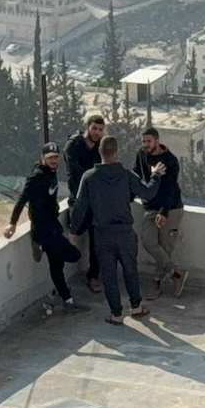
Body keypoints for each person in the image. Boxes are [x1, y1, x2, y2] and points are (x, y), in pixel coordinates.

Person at [66, 135, 147, 323]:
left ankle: (116, 314)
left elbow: (80, 207)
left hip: (102, 234)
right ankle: (136, 307)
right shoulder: (126, 175)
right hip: (125, 232)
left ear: (99, 152)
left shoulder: (89, 177)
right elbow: (147, 192)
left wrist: (73, 230)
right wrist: (157, 175)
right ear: (117, 152)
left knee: (109, 275)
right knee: (130, 270)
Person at [7, 144, 80, 305]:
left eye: (56, 157)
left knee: (57, 264)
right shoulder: (36, 176)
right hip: (43, 229)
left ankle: (66, 297)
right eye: (50, 158)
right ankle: (37, 242)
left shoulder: (51, 172)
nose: (54, 161)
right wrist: (13, 223)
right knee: (73, 255)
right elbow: (22, 199)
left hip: (53, 225)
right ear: (43, 158)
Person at [135, 126, 187, 300]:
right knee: (148, 241)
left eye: (149, 141)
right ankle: (176, 273)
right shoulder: (141, 155)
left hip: (170, 208)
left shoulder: (170, 160)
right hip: (151, 207)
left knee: (165, 245)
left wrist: (164, 212)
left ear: (157, 141)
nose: (145, 145)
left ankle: (156, 282)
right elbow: (136, 176)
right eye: (143, 141)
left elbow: (170, 188)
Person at [63, 114, 107, 293]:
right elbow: (76, 173)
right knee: (74, 235)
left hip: (96, 201)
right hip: (79, 198)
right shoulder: (73, 145)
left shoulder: (100, 146)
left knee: (97, 241)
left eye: (100, 129)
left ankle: (93, 276)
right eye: (94, 128)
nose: (97, 132)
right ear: (87, 126)